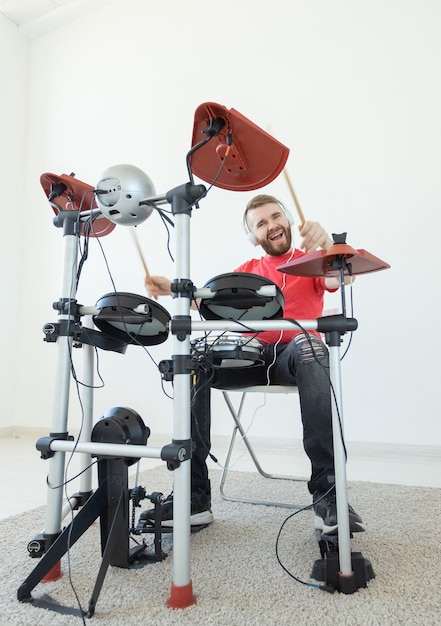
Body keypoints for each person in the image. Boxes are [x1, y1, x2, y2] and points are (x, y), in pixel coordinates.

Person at [140, 194, 364, 536]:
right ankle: (194, 497)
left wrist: (329, 245)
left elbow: (341, 278)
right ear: (253, 236)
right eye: (261, 223)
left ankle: (328, 493)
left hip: (297, 357)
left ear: (288, 220)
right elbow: (211, 302)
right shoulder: (247, 271)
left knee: (311, 346)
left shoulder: (312, 260)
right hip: (252, 356)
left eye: (276, 216)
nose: (271, 224)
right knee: (194, 363)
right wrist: (172, 289)